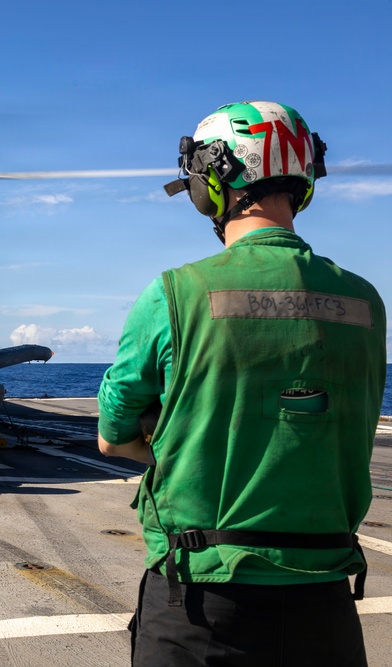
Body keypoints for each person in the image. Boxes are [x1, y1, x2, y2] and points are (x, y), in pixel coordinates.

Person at [97, 102, 387, 666]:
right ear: (302, 182)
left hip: (202, 606)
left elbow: (112, 438)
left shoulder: (175, 294)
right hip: (325, 607)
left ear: (214, 180)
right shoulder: (365, 301)